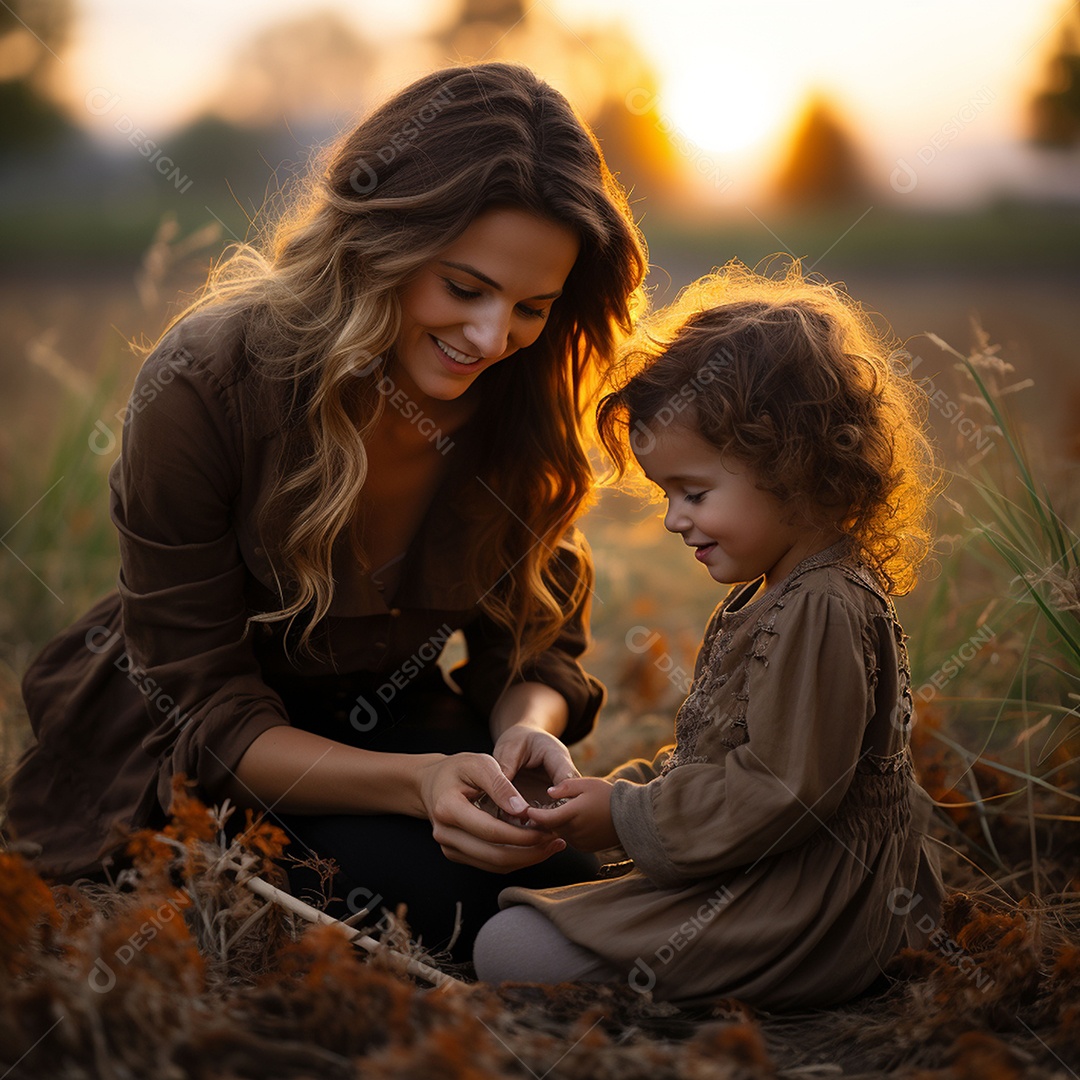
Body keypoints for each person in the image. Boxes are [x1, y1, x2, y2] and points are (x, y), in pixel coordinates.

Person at [4, 61, 647, 961]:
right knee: (462, 906)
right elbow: (211, 717)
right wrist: (421, 785)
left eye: (532, 307)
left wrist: (521, 737)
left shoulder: (520, 396)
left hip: (406, 729)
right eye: (463, 289)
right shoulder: (206, 388)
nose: (492, 338)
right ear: (378, 243)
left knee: (560, 872)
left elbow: (537, 642)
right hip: (209, 751)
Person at [473, 261, 945, 1007]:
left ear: (793, 466)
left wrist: (625, 821)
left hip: (813, 904)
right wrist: (611, 799)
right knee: (527, 911)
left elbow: (781, 791)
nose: (672, 519)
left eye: (694, 493)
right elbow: (726, 759)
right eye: (668, 495)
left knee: (509, 946)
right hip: (775, 874)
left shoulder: (822, 604)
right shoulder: (781, 590)